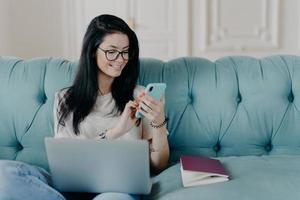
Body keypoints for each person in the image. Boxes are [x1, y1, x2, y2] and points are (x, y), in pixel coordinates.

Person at [0, 14, 169, 200]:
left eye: (125, 51)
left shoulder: (141, 96)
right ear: (92, 51)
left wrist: (158, 122)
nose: (121, 59)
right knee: (4, 173)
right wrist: (116, 132)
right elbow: (66, 163)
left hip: (117, 189)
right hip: (69, 188)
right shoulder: (65, 99)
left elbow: (158, 165)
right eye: (112, 51)